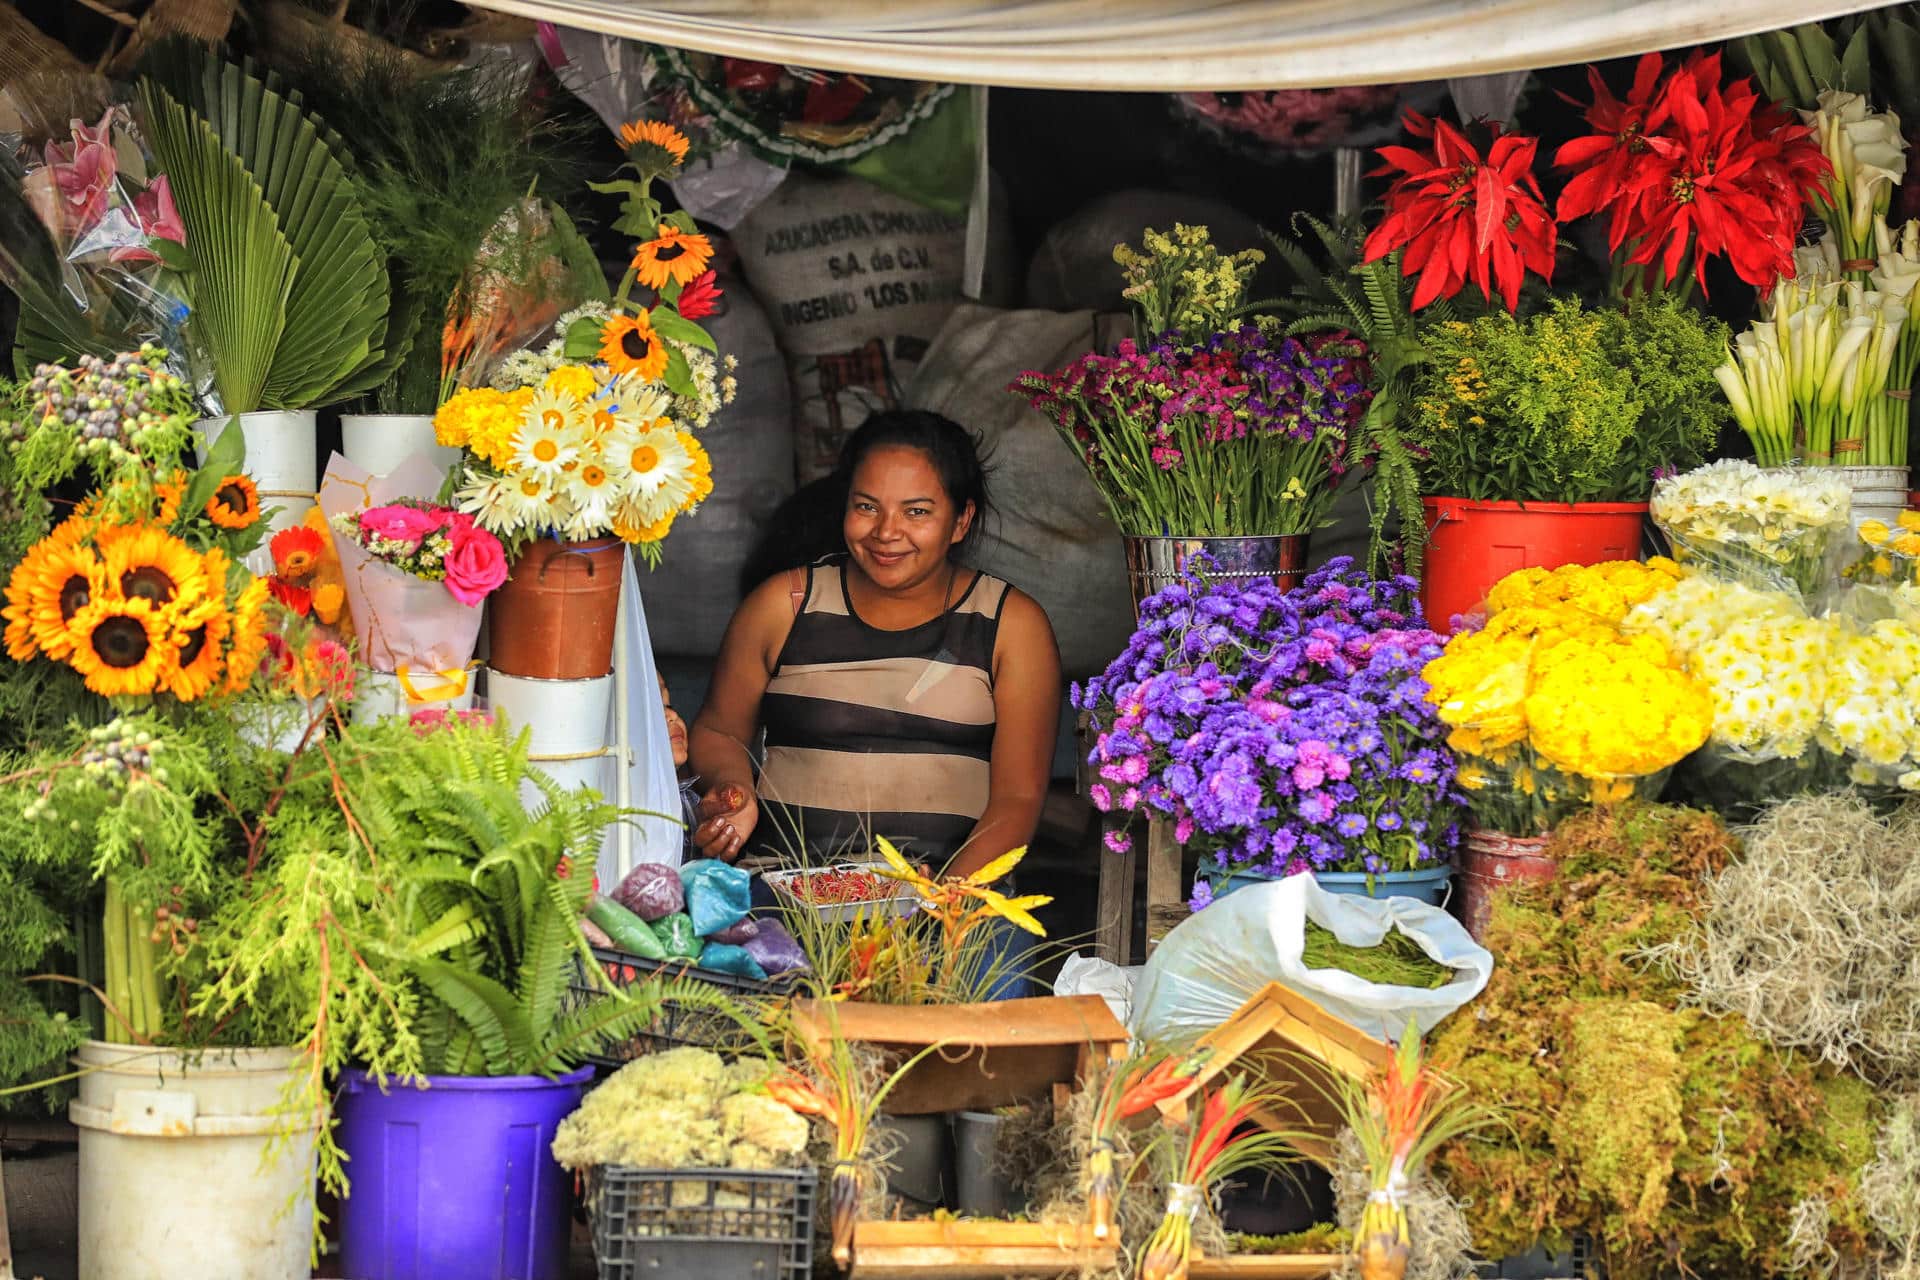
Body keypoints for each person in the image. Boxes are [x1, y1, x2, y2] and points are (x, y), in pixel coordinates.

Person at [688, 410, 1062, 986]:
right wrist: (732, 792)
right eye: (867, 507)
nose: (886, 532)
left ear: (961, 520)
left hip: (954, 891)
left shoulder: (1011, 625)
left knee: (971, 1035)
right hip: (789, 885)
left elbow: (1017, 798)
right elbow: (718, 731)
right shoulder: (784, 604)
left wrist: (941, 906)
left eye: (917, 512)